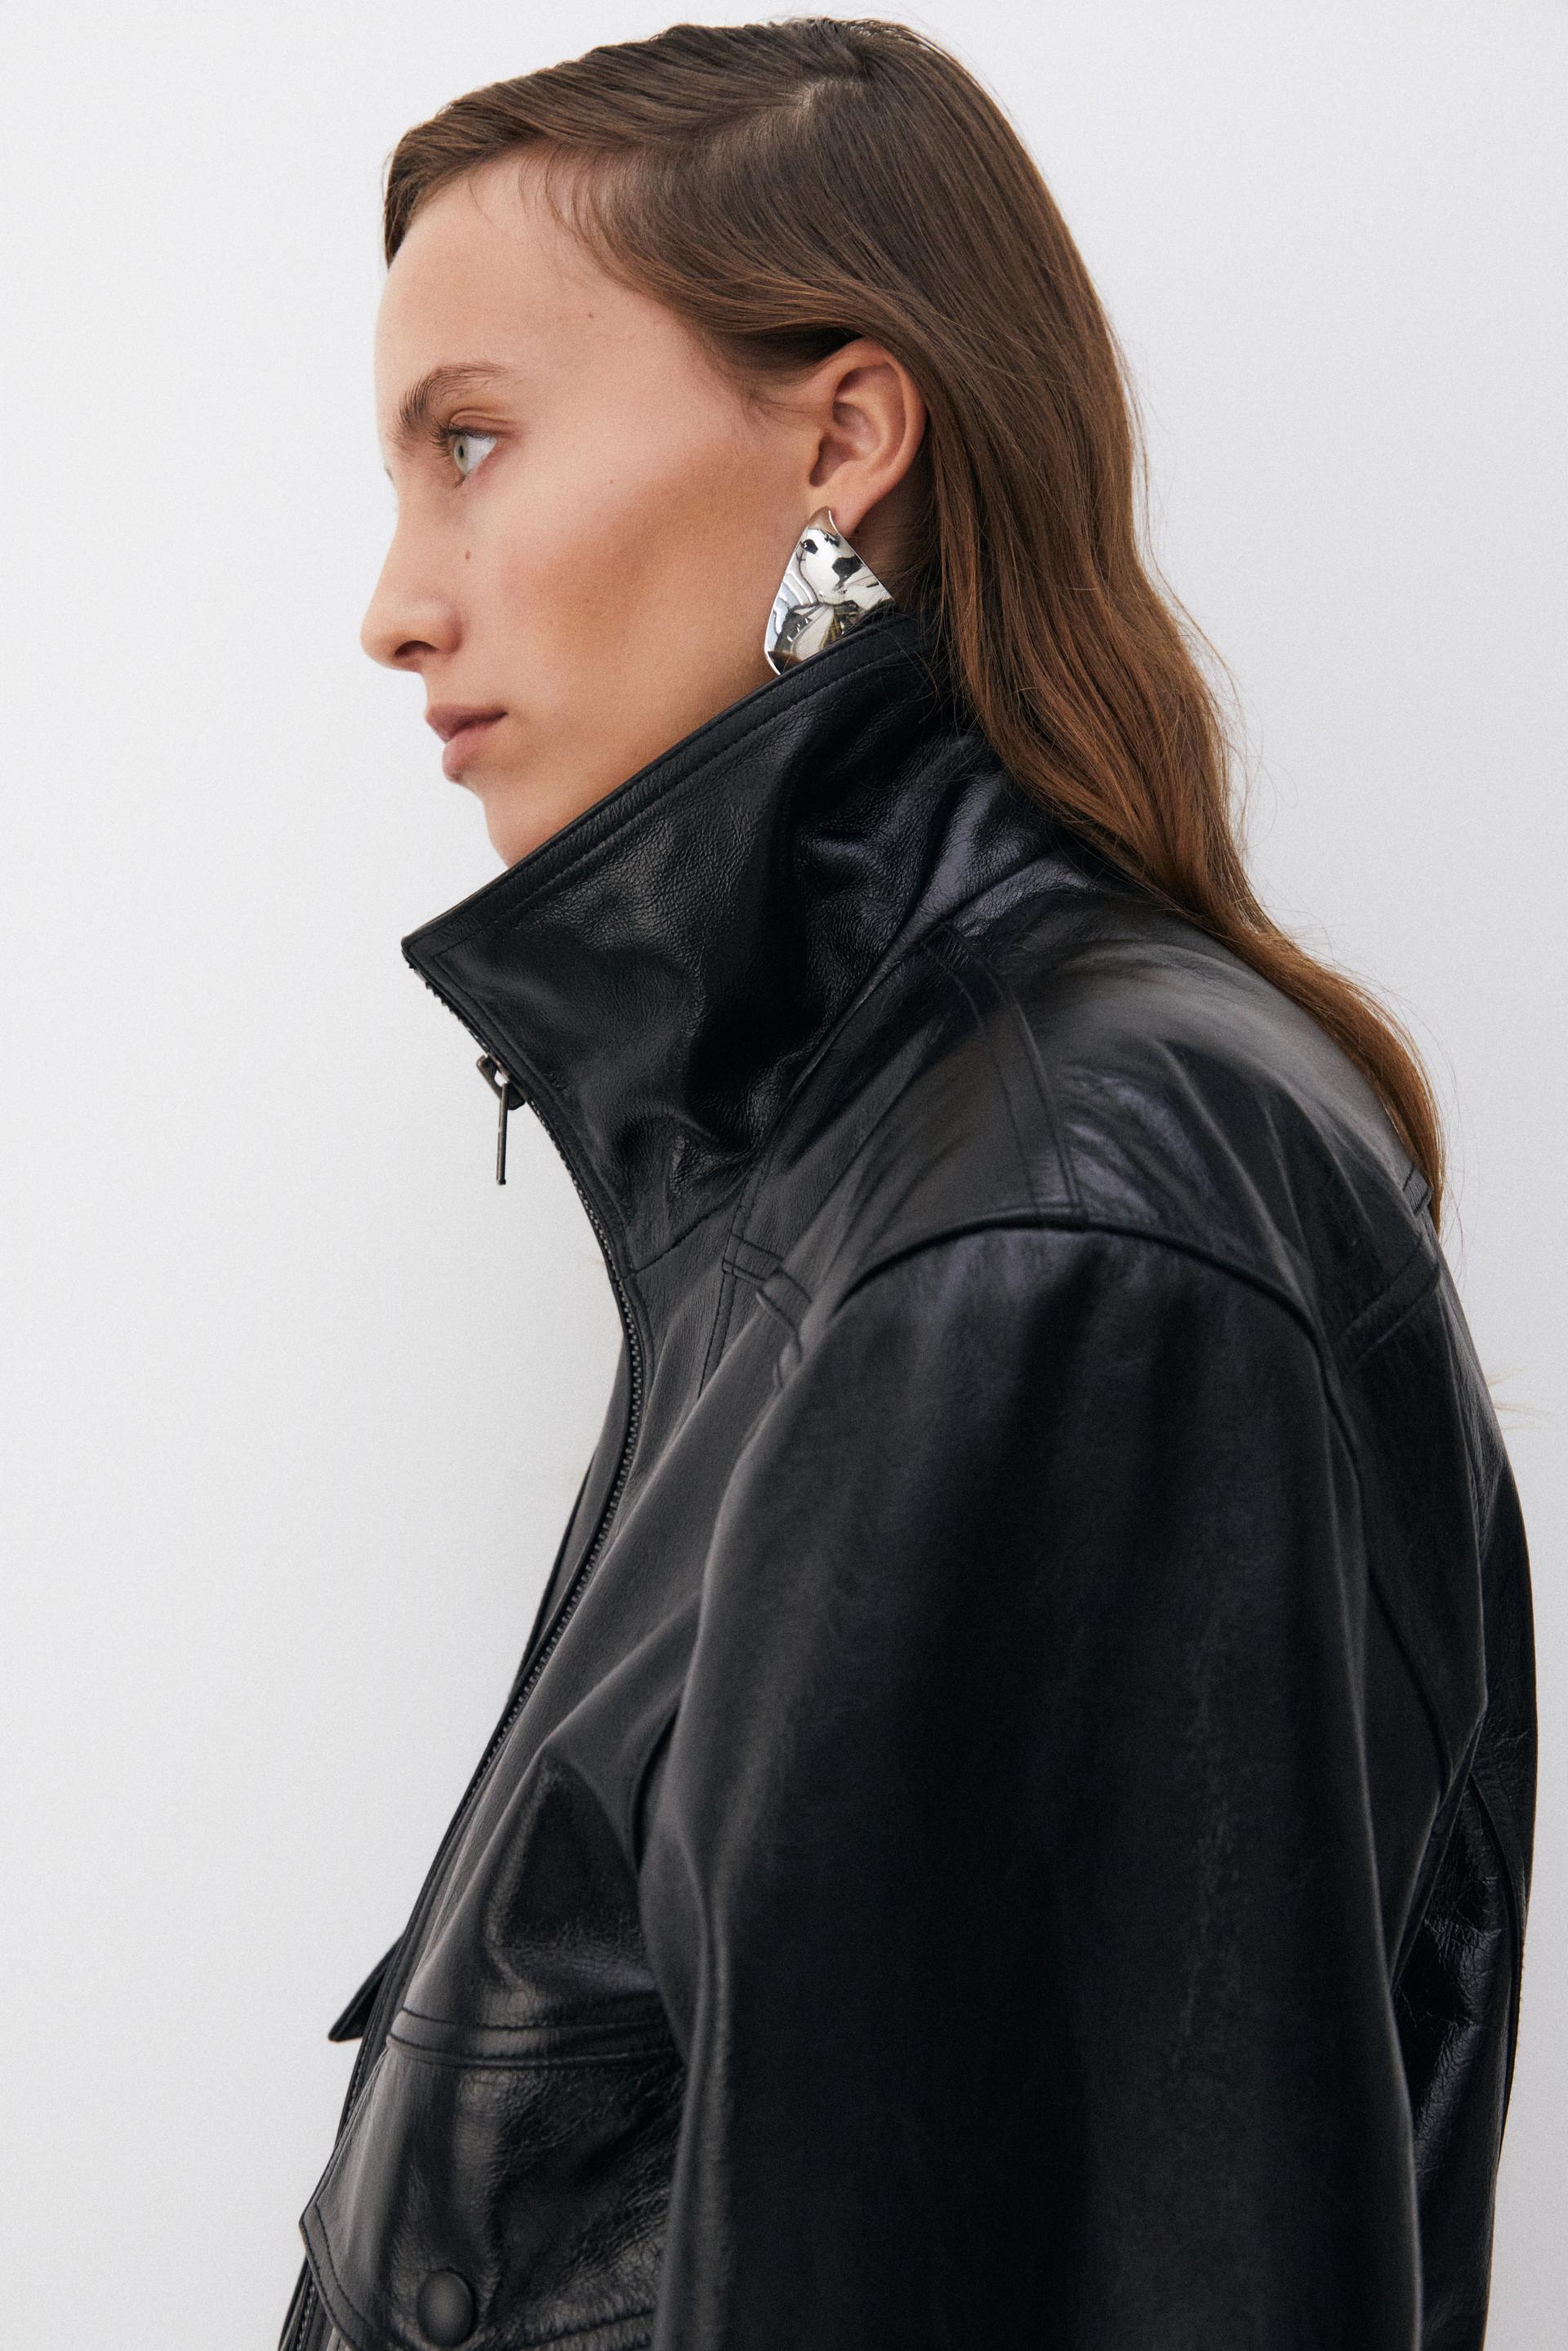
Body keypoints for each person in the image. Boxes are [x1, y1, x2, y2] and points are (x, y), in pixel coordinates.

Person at [278, 20, 1535, 2351]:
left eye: (471, 443)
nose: (397, 602)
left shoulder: (1039, 1221)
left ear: (843, 438)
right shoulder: (837, 1167)